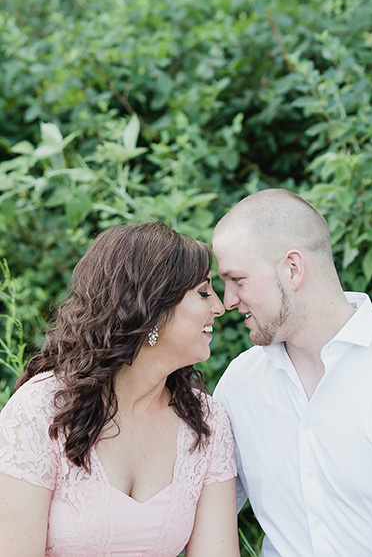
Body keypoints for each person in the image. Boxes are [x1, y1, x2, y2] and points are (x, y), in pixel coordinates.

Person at [211, 188, 372, 556]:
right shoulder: (238, 385)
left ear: (292, 268)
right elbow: (198, 511)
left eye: (237, 280)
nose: (227, 301)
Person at [0, 221, 239, 557]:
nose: (219, 306)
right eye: (203, 292)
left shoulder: (205, 421)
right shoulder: (40, 410)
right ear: (153, 308)